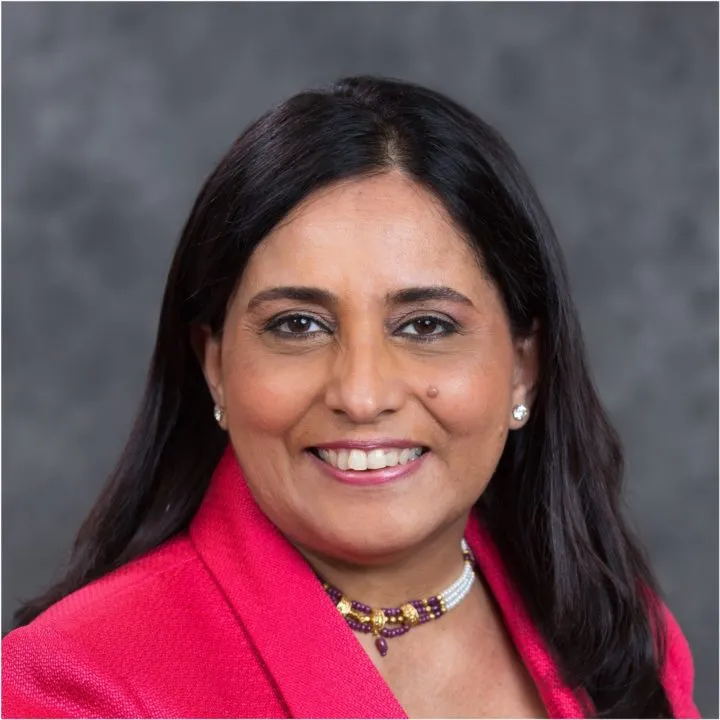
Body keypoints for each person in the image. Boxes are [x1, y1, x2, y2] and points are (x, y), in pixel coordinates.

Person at [2, 75, 699, 719]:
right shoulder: (73, 683)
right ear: (214, 365)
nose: (362, 395)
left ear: (523, 367)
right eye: (298, 325)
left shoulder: (623, 635)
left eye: (426, 325)